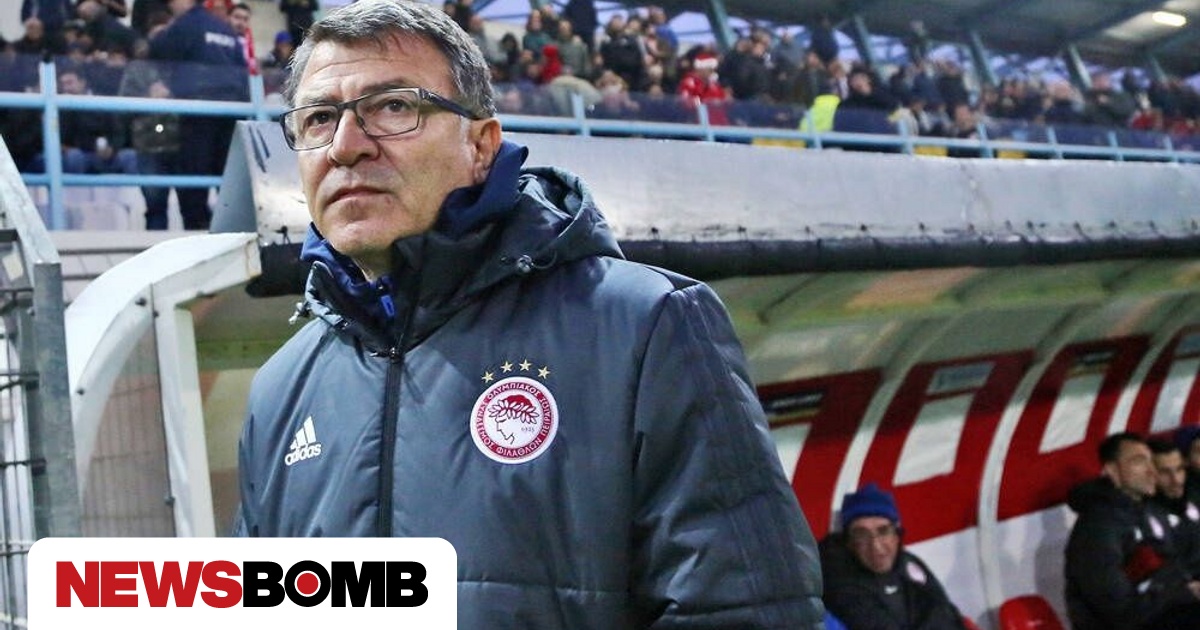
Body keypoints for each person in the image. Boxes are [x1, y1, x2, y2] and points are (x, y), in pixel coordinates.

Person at [231, 1, 824, 627]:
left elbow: (745, 612)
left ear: (481, 145)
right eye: (319, 118)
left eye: (394, 107)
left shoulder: (647, 327)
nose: (346, 146)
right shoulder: (280, 390)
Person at [1064, 432, 1200, 630]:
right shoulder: (1098, 528)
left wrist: (1188, 589)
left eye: (1151, 462)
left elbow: (1168, 572)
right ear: (1112, 470)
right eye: (1139, 461)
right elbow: (1121, 611)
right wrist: (1183, 593)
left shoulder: (1141, 513)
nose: (1152, 471)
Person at [149, 0, 248, 229]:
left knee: (193, 175)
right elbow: (241, 71)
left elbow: (156, 50)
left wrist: (159, 33)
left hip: (196, 114)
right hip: (231, 113)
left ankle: (197, 227)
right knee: (227, 177)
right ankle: (232, 228)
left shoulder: (186, 24)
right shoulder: (225, 30)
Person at [819, 483, 968, 630]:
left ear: (897, 534)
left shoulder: (908, 563)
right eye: (862, 535)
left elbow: (943, 612)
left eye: (883, 531)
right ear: (848, 542)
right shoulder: (837, 579)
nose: (876, 546)